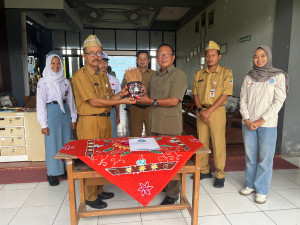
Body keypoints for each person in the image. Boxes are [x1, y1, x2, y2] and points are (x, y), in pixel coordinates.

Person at [72, 35, 135, 209]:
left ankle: (99, 189)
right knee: (91, 159)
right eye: (91, 53)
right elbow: (94, 102)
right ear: (84, 56)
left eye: (99, 53)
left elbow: (109, 98)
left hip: (105, 121)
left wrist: (122, 94)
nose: (96, 56)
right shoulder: (80, 76)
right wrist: (121, 102)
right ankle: (90, 196)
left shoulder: (103, 75)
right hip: (90, 122)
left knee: (103, 157)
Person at [137, 43, 187, 205]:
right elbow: (149, 95)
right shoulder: (155, 76)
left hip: (169, 125)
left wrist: (151, 101)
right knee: (157, 158)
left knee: (171, 159)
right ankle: (162, 185)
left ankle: (173, 194)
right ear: (156, 59)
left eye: (166, 54)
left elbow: (174, 100)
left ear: (173, 57)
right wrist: (138, 90)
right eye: (160, 55)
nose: (163, 57)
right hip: (154, 123)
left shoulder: (178, 75)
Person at [239, 45, 288, 204]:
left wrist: (260, 120)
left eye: (263, 56)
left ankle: (262, 189)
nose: (259, 59)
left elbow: (278, 101)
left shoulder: (278, 76)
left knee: (265, 159)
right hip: (248, 124)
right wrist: (247, 119)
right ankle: (250, 184)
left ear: (269, 56)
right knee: (250, 157)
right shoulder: (249, 77)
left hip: (267, 125)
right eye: (255, 56)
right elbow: (243, 100)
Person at [192, 41, 233, 188]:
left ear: (219, 56)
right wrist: (200, 109)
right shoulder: (198, 73)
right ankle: (204, 170)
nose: (210, 58)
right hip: (201, 111)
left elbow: (225, 94)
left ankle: (220, 174)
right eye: (208, 55)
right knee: (202, 142)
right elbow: (195, 93)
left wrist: (208, 111)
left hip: (216, 111)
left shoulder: (226, 73)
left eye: (213, 55)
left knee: (218, 143)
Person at [36, 51, 77, 186]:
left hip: (64, 113)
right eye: (53, 63)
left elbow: (71, 101)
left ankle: (66, 169)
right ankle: (52, 173)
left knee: (66, 143)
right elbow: (40, 103)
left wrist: (73, 118)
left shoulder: (65, 81)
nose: (56, 66)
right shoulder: (43, 82)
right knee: (52, 144)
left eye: (58, 63)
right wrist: (43, 124)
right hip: (51, 113)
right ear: (48, 64)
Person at [130, 50, 155, 137]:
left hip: (150, 109)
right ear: (137, 60)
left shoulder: (154, 74)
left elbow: (158, 90)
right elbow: (127, 89)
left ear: (148, 60)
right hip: (135, 108)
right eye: (140, 59)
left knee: (151, 134)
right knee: (136, 135)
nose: (142, 61)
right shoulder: (131, 74)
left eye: (145, 59)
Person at [100, 52, 121, 138]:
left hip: (111, 111)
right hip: (99, 110)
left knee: (112, 134)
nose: (103, 64)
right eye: (100, 62)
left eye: (105, 62)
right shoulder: (93, 80)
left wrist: (118, 116)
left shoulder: (114, 80)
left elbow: (117, 100)